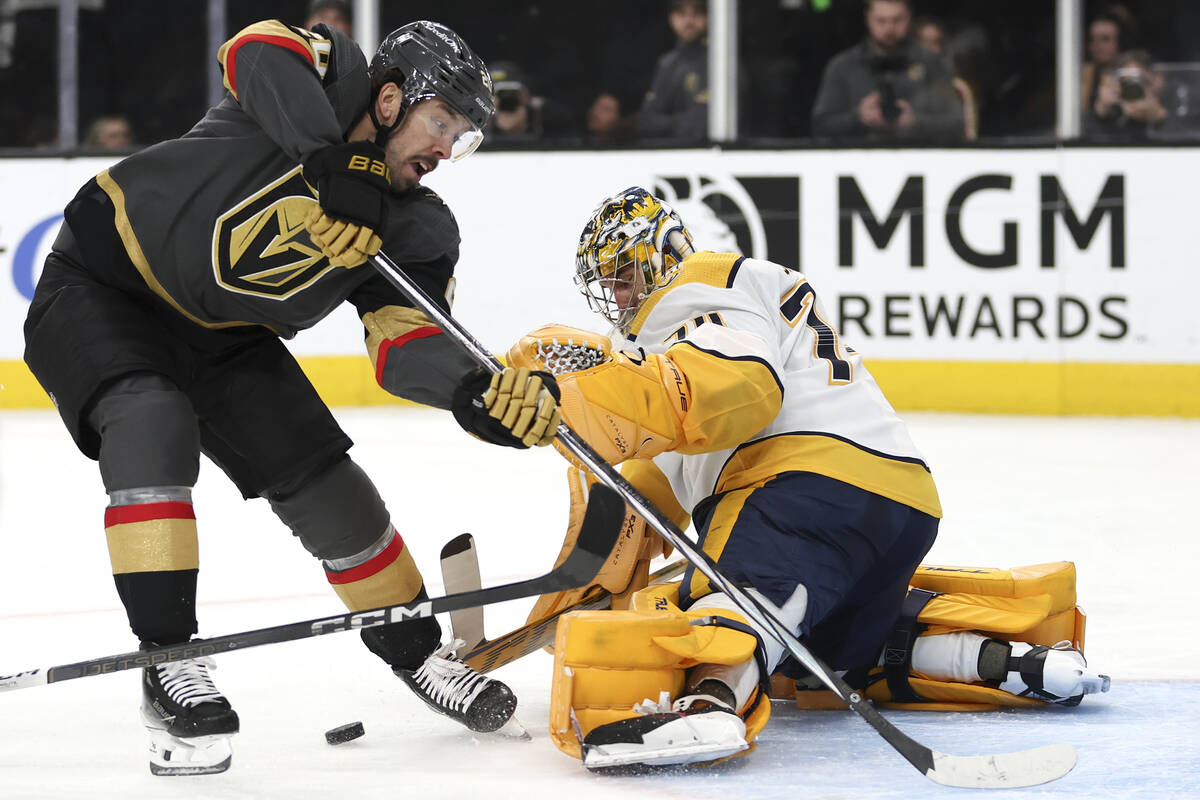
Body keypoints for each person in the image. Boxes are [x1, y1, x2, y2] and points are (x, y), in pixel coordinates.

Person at [22, 19, 562, 776]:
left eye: (462, 138)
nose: (446, 150)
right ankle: (170, 662)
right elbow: (251, 50)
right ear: (387, 98)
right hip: (102, 285)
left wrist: (476, 392)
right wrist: (329, 162)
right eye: (441, 123)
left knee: (333, 490)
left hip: (226, 338)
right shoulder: (327, 72)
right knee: (151, 418)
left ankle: (417, 654)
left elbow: (404, 345)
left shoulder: (416, 225)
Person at [507, 187, 1109, 769]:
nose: (620, 291)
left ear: (666, 251)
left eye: (626, 271)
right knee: (824, 656)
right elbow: (640, 502)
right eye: (607, 281)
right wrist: (570, 599)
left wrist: (591, 389)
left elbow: (738, 387)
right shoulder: (675, 344)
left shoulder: (699, 286)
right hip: (899, 501)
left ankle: (709, 704)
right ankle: (1007, 662)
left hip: (800, 482)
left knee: (739, 598)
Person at [811, 0, 964, 143]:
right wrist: (859, 117)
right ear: (868, 19)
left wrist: (915, 122)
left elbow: (956, 123)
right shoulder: (843, 67)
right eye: (881, 21)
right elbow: (821, 126)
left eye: (897, 20)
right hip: (859, 161)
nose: (889, 29)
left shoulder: (932, 64)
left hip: (919, 159)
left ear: (909, 17)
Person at [635, 0, 709, 142]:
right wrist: (680, 122)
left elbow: (701, 126)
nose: (689, 20)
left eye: (697, 12)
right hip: (670, 155)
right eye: (681, 13)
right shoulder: (667, 63)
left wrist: (666, 122)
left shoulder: (720, 64)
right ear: (671, 18)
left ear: (709, 17)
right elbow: (646, 122)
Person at [912, 15, 977, 140]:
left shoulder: (955, 86)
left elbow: (958, 123)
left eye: (935, 42)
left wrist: (913, 121)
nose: (929, 49)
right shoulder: (899, 78)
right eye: (924, 42)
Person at [1086, 48, 1167, 140]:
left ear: (1155, 81)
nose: (1132, 88)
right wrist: (1101, 112)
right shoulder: (1114, 116)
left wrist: (1158, 117)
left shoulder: (1166, 110)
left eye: (1138, 80)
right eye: (1127, 81)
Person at [1081, 13, 1125, 117]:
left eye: (1105, 39)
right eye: (1092, 39)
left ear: (1119, 43)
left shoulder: (1130, 73)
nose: (1097, 46)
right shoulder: (1082, 76)